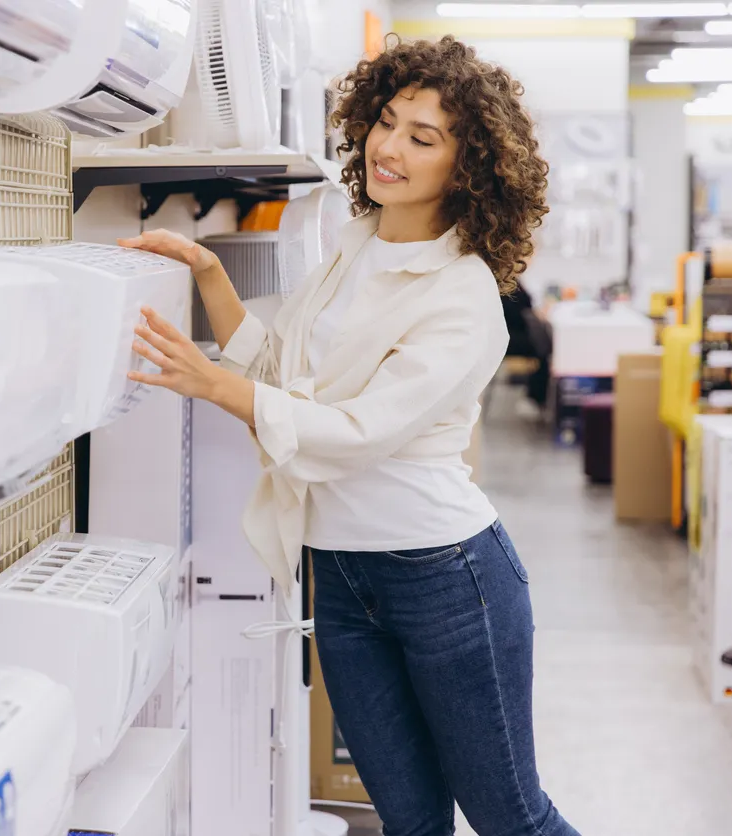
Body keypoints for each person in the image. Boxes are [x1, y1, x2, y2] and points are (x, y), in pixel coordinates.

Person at [119, 35, 578, 836]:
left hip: (445, 578)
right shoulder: (356, 246)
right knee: (407, 821)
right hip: (339, 572)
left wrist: (213, 386)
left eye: (421, 138)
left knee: (511, 818)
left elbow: (357, 432)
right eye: (386, 122)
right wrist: (209, 275)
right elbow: (282, 375)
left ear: (467, 168)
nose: (388, 148)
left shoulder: (462, 294)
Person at [502, 283, 553, 412]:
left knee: (544, 346)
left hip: (511, 335)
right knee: (543, 350)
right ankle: (537, 399)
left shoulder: (510, 283)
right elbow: (519, 311)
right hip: (510, 338)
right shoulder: (508, 285)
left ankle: (538, 399)